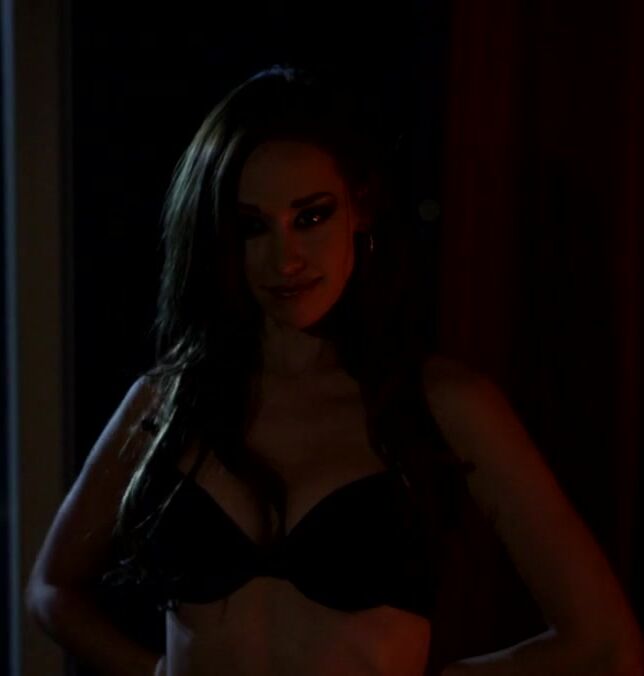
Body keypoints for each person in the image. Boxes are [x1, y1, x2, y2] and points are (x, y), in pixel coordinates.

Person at [25, 65, 643, 676]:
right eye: (252, 227)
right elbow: (52, 590)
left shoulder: (443, 402)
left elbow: (605, 646)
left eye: (311, 216)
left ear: (359, 210)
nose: (286, 258)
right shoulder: (168, 401)